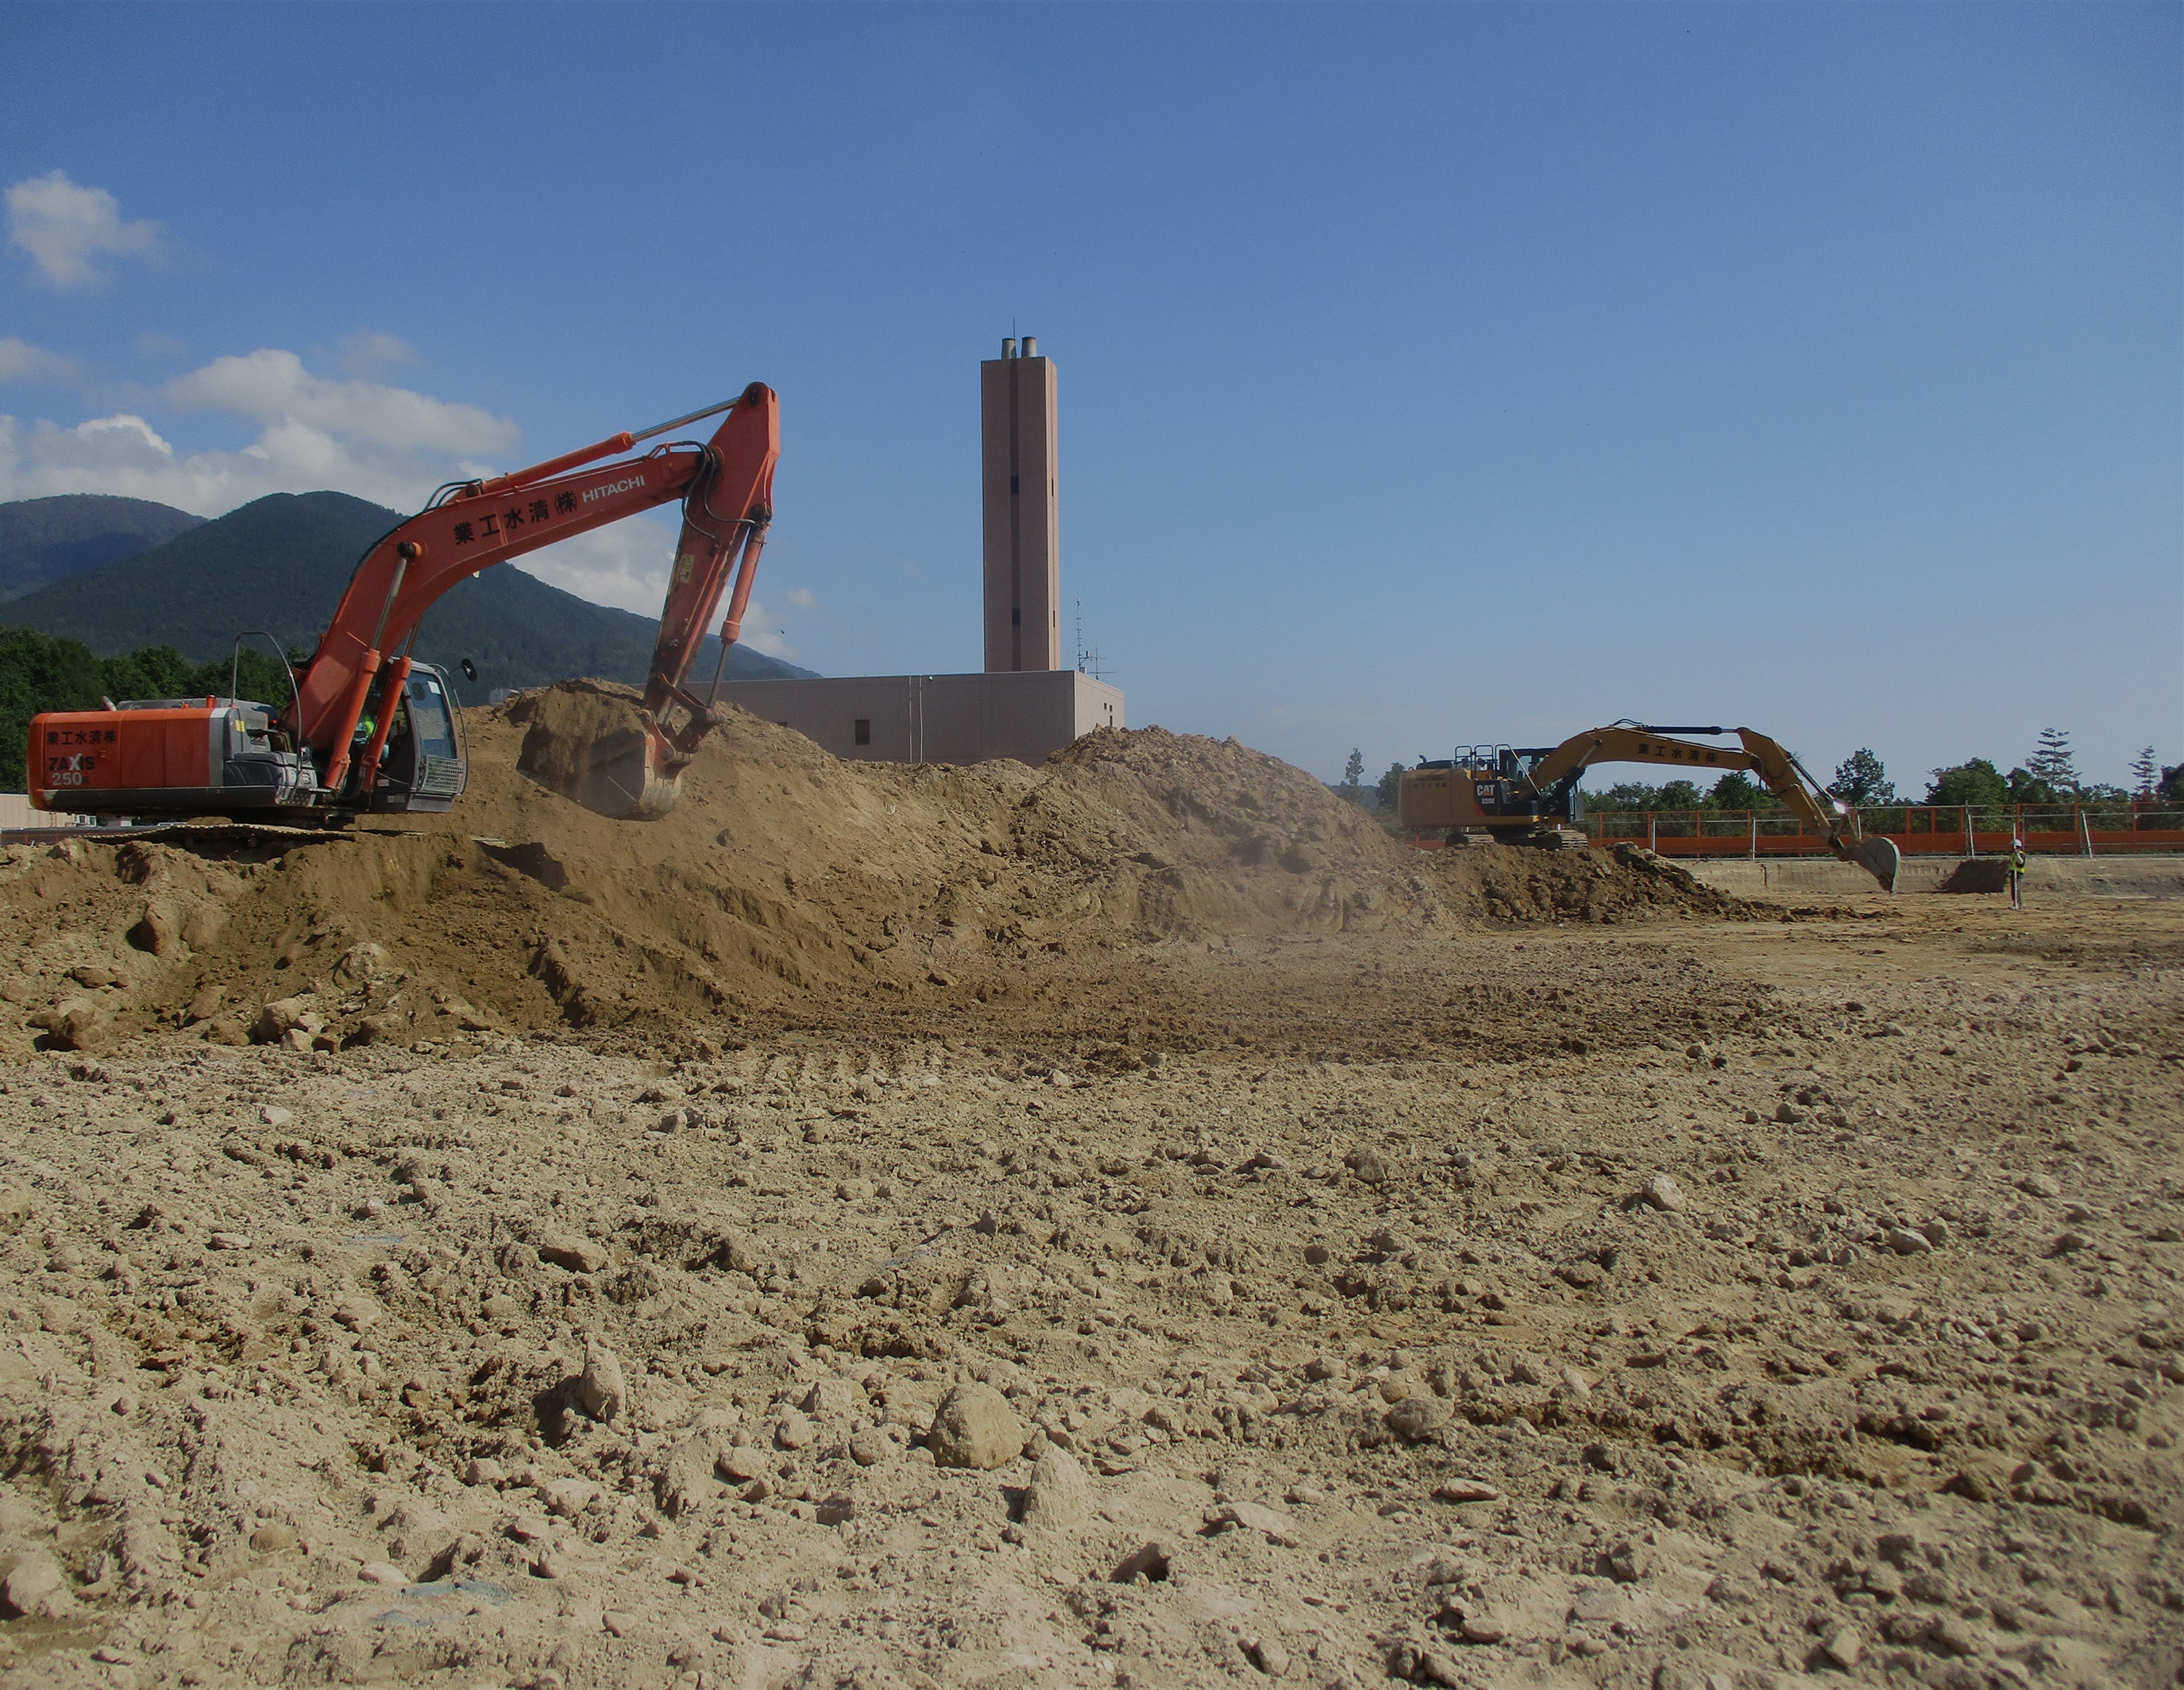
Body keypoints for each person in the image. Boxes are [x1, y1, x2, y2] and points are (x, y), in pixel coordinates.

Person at [2006, 836, 2027, 910]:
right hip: (2013, 873)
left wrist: (2017, 855)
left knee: (2017, 889)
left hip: (2018, 873)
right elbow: (2011, 864)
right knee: (2013, 889)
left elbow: (2021, 863)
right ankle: (2015, 903)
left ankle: (2019, 904)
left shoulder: (2021, 854)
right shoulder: (2012, 855)